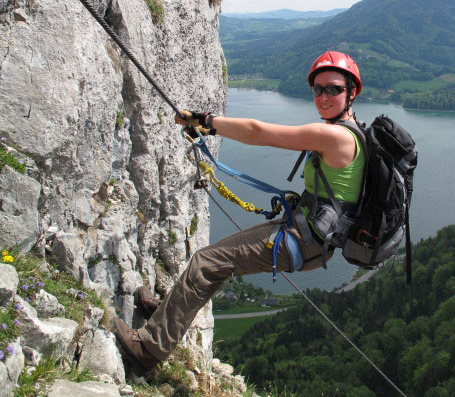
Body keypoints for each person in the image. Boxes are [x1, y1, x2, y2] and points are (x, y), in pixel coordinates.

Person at [112, 51, 366, 374]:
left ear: (351, 92)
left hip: (302, 239)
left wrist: (207, 122)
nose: (324, 97)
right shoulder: (354, 130)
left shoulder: (335, 136)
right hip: (309, 235)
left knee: (206, 263)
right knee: (214, 262)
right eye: (318, 89)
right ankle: (165, 313)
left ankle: (146, 350)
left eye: (333, 89)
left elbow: (258, 132)